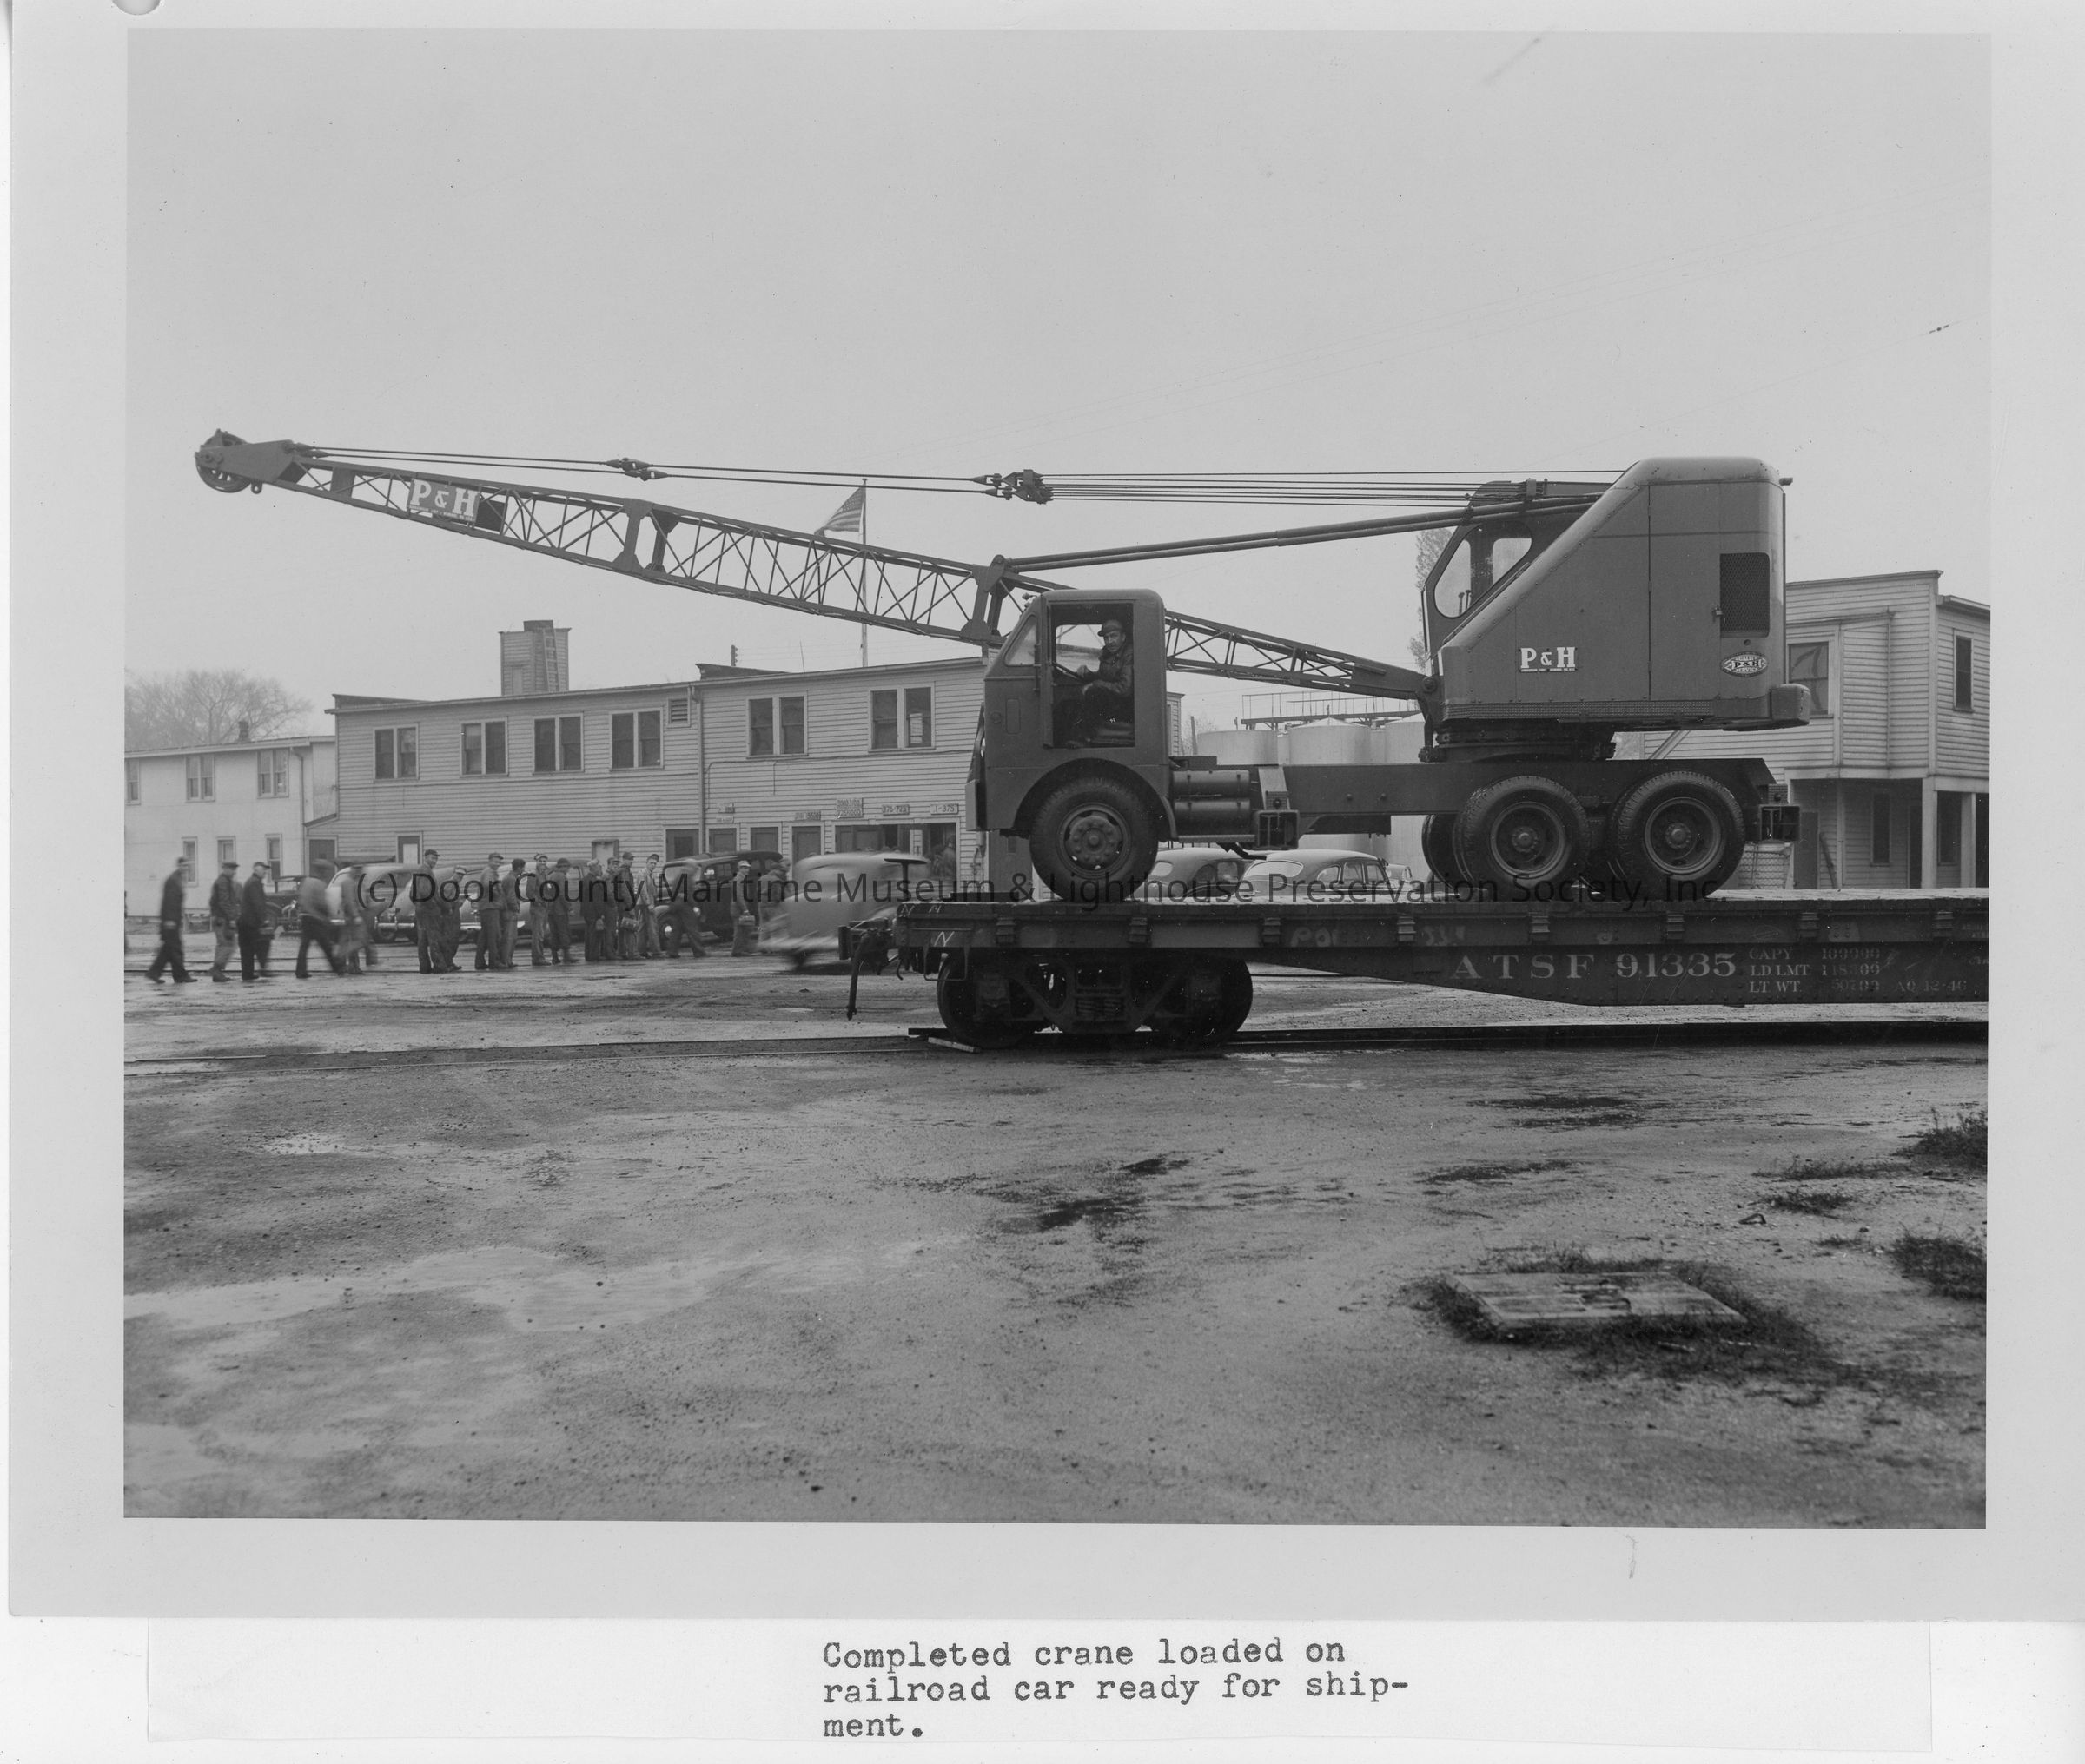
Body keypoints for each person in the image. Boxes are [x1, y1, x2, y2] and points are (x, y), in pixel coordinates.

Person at [294, 860, 348, 978]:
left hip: (304, 917)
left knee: (304, 946)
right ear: (322, 871)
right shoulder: (319, 884)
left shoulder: (306, 882)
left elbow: (301, 900)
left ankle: (300, 971)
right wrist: (328, 917)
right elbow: (321, 903)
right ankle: (337, 968)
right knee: (326, 945)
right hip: (315, 919)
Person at [144, 856, 195, 983]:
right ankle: (180, 976)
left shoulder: (178, 879)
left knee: (168, 949)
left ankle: (154, 973)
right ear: (179, 866)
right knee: (175, 948)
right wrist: (170, 920)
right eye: (184, 866)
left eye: (187, 866)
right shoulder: (173, 880)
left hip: (172, 920)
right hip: (170, 921)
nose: (186, 868)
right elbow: (169, 902)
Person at [236, 859, 272, 982]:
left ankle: (248, 973)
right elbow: (258, 904)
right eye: (263, 870)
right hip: (250, 922)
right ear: (256, 871)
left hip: (246, 921)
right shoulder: (255, 883)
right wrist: (264, 920)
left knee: (248, 950)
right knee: (258, 945)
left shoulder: (251, 882)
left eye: (266, 870)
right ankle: (260, 970)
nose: (265, 872)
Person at [206, 857, 241, 982]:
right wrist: (231, 918)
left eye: (234, 869)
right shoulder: (223, 882)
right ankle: (216, 969)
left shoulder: (224, 881)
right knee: (228, 944)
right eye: (231, 869)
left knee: (224, 944)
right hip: (223, 919)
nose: (234, 872)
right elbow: (224, 902)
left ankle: (217, 972)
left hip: (220, 918)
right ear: (225, 869)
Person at [474, 853, 506, 972]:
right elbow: (488, 885)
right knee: (494, 936)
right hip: (490, 907)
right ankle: (494, 962)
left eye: (499, 862)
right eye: (495, 862)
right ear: (489, 861)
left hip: (486, 907)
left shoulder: (488, 871)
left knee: (484, 937)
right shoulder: (489, 872)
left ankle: (480, 962)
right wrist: (498, 897)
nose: (497, 864)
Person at [544, 857, 573, 963]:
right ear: (563, 867)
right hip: (560, 909)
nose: (568, 869)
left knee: (554, 933)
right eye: (567, 867)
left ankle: (555, 956)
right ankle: (566, 956)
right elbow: (562, 894)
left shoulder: (551, 876)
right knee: (564, 931)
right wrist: (569, 907)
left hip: (551, 909)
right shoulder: (561, 877)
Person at [525, 854, 551, 966]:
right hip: (537, 908)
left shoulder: (545, 875)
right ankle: (537, 958)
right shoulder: (533, 875)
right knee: (537, 934)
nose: (543, 863)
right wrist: (538, 902)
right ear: (536, 862)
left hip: (545, 907)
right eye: (541, 861)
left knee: (542, 934)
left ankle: (540, 956)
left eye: (544, 861)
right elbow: (529, 893)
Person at [636, 854, 663, 958]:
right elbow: (643, 890)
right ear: (646, 863)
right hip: (645, 904)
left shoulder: (651, 874)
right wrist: (649, 904)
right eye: (651, 863)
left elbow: (652, 890)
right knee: (652, 928)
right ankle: (656, 952)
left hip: (647, 903)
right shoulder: (642, 873)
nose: (653, 865)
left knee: (642, 928)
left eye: (655, 864)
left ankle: (641, 951)